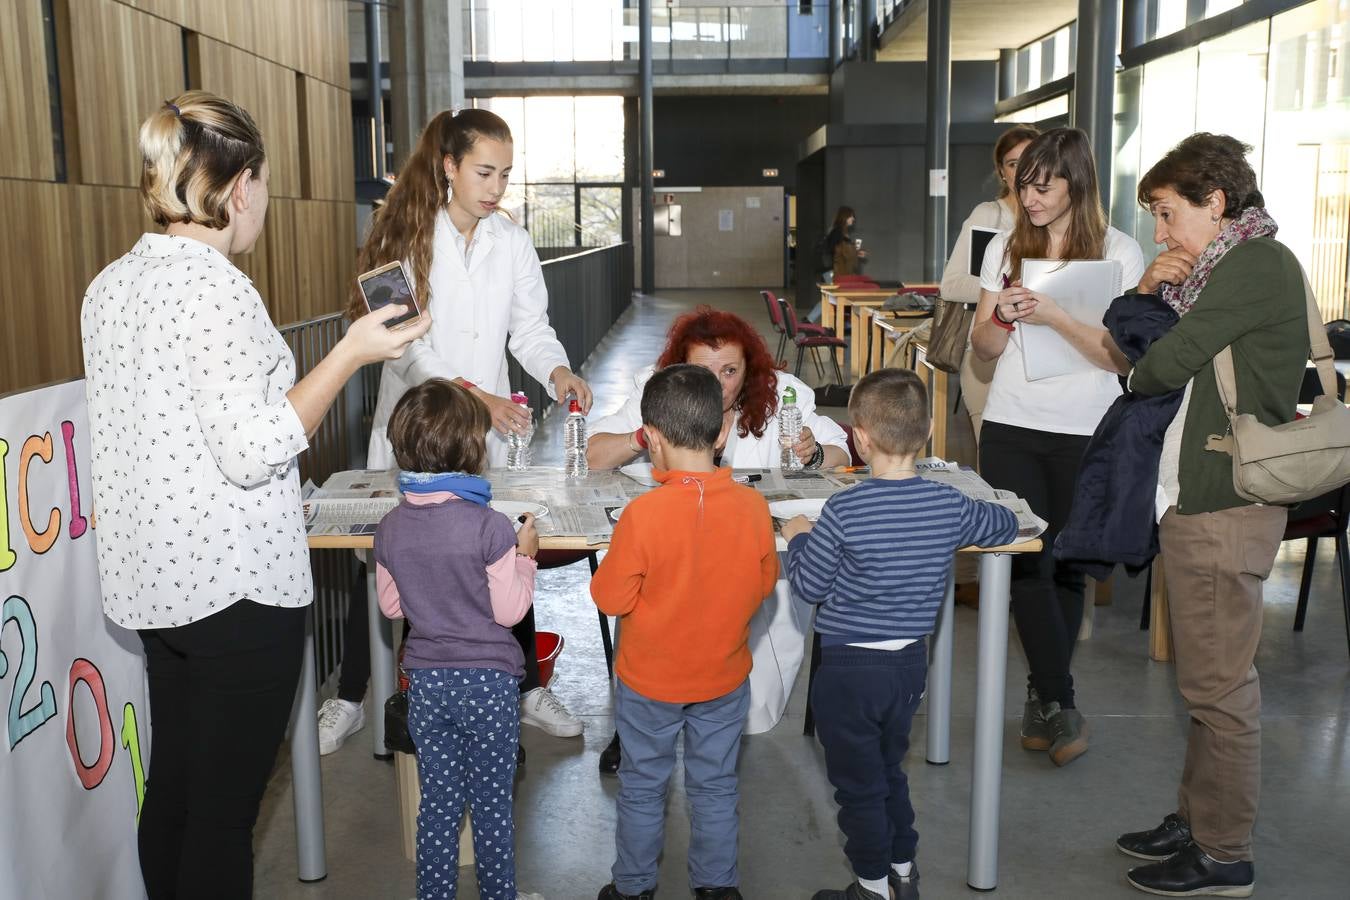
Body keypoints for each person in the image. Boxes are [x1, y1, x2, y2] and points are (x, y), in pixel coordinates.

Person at [79, 90, 430, 898]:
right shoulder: (218, 290)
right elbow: (250, 450)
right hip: (233, 591)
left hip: (155, 586)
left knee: (175, 791)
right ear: (241, 187)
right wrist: (350, 353)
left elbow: (169, 433)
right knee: (222, 818)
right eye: (264, 183)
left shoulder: (111, 285)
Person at [320, 107, 593, 754]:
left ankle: (525, 687)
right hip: (414, 428)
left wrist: (557, 370)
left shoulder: (512, 242)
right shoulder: (398, 233)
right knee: (384, 549)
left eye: (505, 174)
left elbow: (531, 328)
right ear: (449, 165)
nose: (496, 188)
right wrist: (478, 398)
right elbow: (404, 346)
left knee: (502, 546)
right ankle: (350, 696)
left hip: (482, 437)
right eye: (483, 172)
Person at [1115, 134, 1308, 898]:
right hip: (1201, 501)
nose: (1161, 233)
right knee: (1207, 684)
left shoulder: (1254, 264)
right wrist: (1154, 293)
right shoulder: (1224, 269)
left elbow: (1158, 365)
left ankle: (1224, 852)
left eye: (1168, 214)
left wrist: (1150, 329)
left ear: (1215, 202)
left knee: (1220, 691)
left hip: (1223, 507)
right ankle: (1196, 820)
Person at [783, 368, 1019, 900]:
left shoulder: (843, 509)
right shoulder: (947, 505)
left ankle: (871, 888)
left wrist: (799, 537)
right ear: (928, 431)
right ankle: (903, 873)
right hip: (908, 668)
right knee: (889, 771)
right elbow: (1003, 525)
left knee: (857, 788)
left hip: (848, 673)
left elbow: (810, 585)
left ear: (860, 438)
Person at [586, 307, 850, 771]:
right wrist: (645, 435)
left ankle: (707, 726)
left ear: (750, 370)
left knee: (730, 689)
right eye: (704, 373)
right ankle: (633, 727)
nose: (718, 385)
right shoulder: (657, 389)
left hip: (738, 570)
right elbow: (593, 454)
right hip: (673, 563)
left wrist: (811, 454)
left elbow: (841, 451)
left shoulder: (781, 395)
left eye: (730, 371)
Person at [970, 127, 1145, 767]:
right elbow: (982, 350)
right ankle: (1059, 698)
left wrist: (1055, 317)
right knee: (1025, 562)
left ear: (1078, 183)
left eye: (1044, 187)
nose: (1031, 199)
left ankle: (1042, 695)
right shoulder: (1004, 247)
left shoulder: (1121, 253)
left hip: (1088, 428)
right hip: (1012, 423)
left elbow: (1120, 356)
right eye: (1024, 186)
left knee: (1068, 566)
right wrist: (1001, 316)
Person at [590, 365, 780, 900]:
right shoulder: (753, 507)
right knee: (715, 786)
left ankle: (633, 888)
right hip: (723, 679)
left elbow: (610, 599)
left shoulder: (642, 515)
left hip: (649, 683)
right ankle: (718, 888)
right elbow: (765, 583)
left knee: (642, 786)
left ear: (651, 438)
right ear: (723, 432)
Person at [374, 379, 546, 900]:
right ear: (473, 448)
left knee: (438, 806)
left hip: (428, 686)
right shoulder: (490, 526)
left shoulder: (390, 528)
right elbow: (509, 610)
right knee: (491, 809)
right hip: (488, 687)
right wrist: (526, 557)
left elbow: (392, 607)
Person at [940, 124, 1039, 444]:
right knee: (994, 455)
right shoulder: (988, 215)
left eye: (1030, 159)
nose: (1023, 170)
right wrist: (1003, 290)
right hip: (987, 354)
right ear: (1002, 172)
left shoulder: (1056, 221)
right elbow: (951, 285)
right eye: (1013, 163)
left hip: (1039, 358)